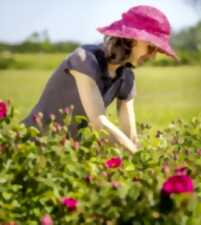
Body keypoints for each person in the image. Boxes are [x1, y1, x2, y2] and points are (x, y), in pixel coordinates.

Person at [20, 5, 179, 154]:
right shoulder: (84, 60)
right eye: (151, 47)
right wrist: (135, 156)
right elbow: (99, 123)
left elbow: (130, 134)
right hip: (30, 144)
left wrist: (137, 159)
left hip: (65, 151)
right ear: (132, 39)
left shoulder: (126, 77)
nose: (152, 56)